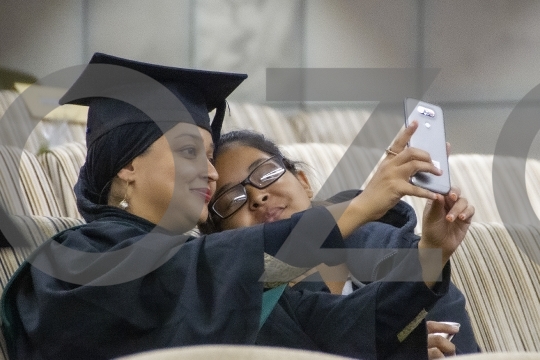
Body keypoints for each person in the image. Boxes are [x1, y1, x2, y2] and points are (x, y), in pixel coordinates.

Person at [1, 52, 462, 360]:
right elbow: (202, 271)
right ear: (127, 167)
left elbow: (333, 327)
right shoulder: (73, 264)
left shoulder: (219, 278)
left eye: (208, 154)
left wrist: (432, 254)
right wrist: (362, 204)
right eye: (188, 152)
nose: (213, 172)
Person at [204, 129, 479, 358]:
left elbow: (459, 347)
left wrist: (433, 254)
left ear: (304, 182)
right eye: (231, 200)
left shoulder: (396, 251)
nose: (258, 196)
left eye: (265, 174)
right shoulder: (241, 307)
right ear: (219, 239)